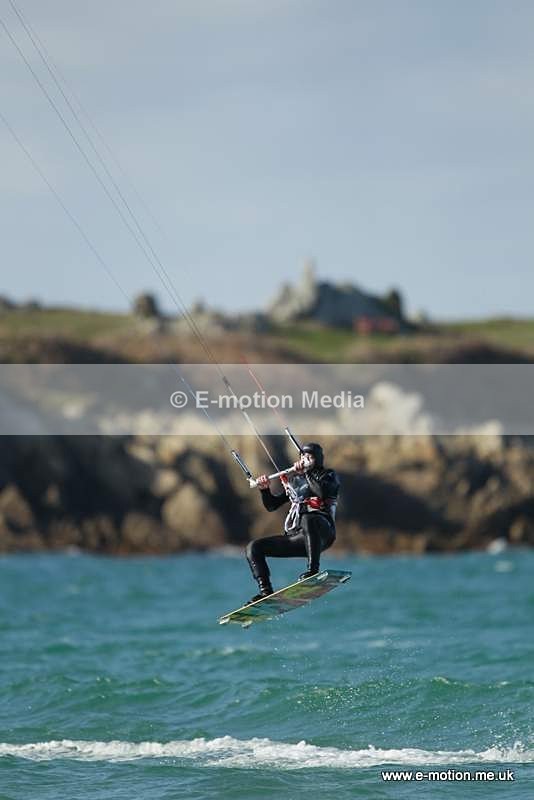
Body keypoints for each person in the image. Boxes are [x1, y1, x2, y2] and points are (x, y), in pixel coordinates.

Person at [245, 442, 340, 604]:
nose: (306, 460)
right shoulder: (296, 481)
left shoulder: (329, 475)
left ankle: (312, 571)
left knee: (308, 516)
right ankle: (265, 592)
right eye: (303, 457)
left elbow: (322, 491)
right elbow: (272, 505)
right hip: (299, 537)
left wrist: (306, 472)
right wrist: (264, 489)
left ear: (318, 459)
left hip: (323, 532)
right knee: (253, 548)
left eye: (310, 457)